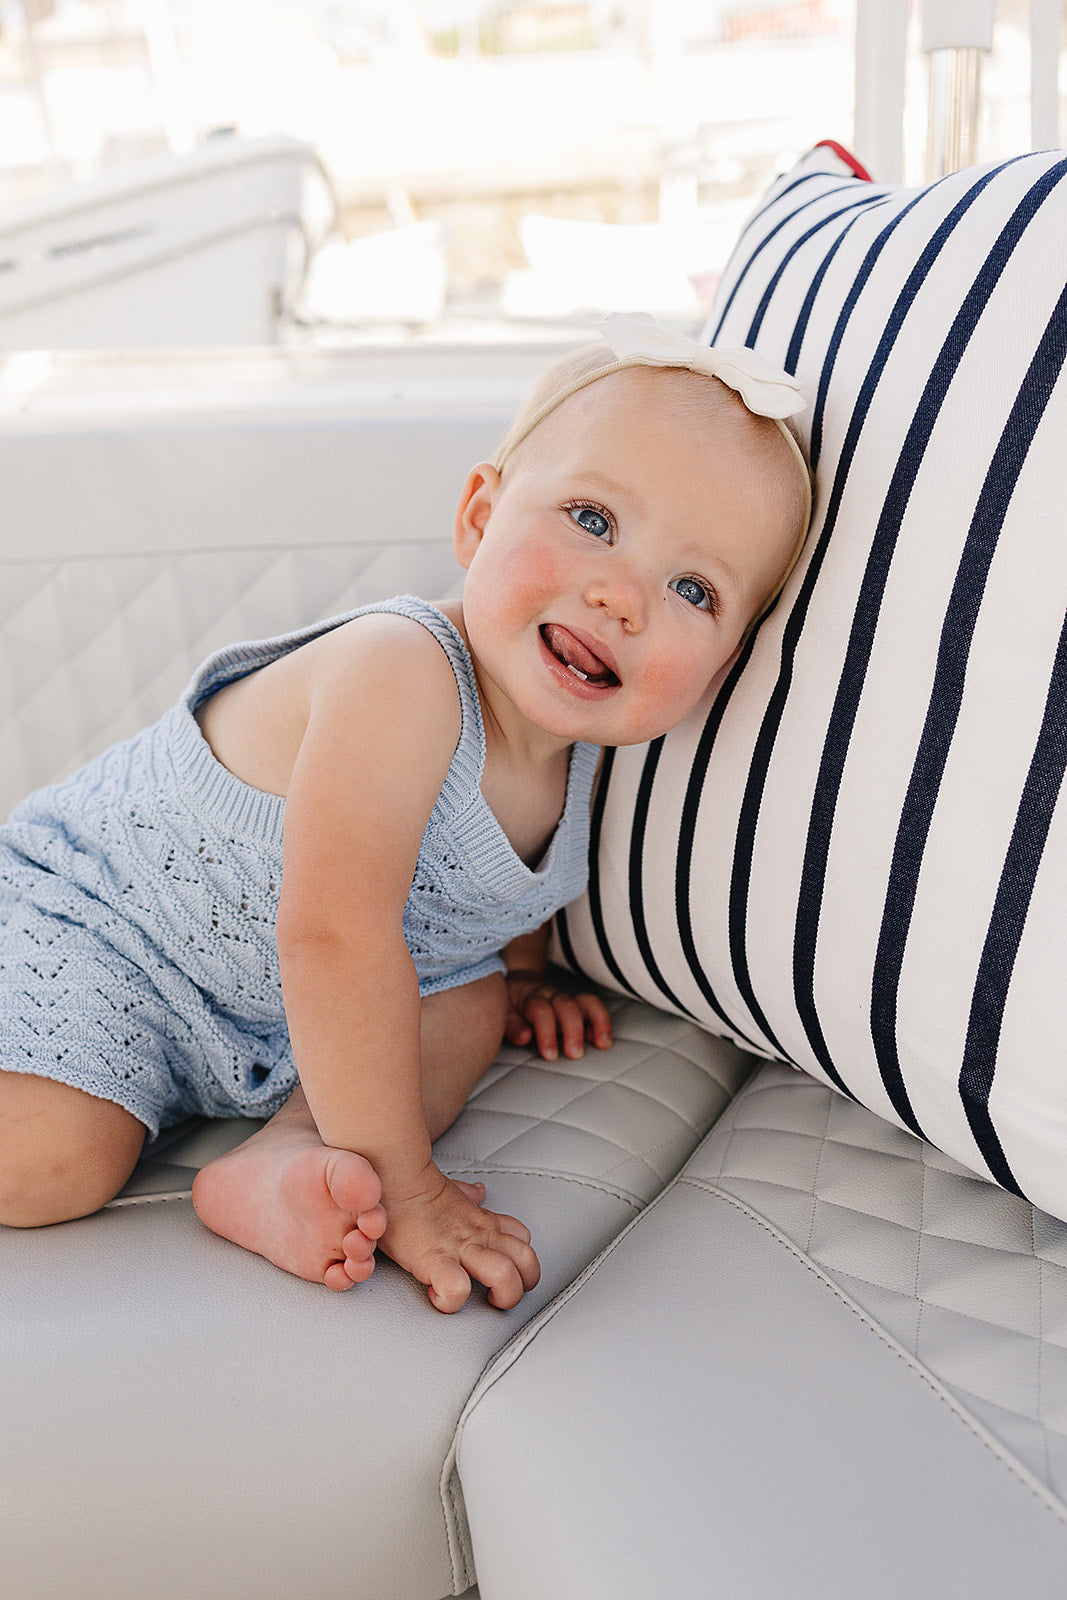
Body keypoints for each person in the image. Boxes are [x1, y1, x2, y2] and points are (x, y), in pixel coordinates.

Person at [0, 314, 812, 1314]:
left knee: (461, 1005)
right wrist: (411, 1189)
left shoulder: (591, 761)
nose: (620, 596)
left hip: (275, 1017)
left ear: (723, 667)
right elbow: (335, 931)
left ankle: (291, 1153)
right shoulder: (403, 671)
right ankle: (360, 1153)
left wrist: (519, 973)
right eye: (593, 520)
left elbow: (486, 883)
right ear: (479, 515)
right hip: (107, 936)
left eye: (693, 588)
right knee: (50, 1162)